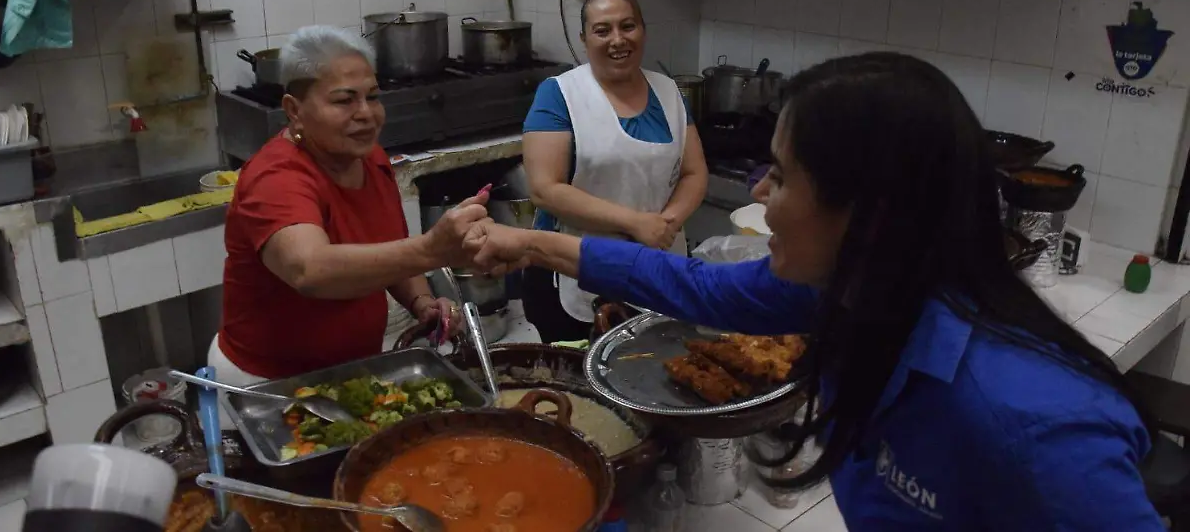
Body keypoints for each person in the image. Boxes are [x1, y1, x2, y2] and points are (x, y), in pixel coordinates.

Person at [467, 52, 1163, 530]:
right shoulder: (842, 294)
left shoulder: (1035, 428)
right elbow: (688, 283)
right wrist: (527, 242)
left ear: (869, 213)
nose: (759, 194)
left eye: (780, 175)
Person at [211, 25, 479, 393]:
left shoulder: (370, 159)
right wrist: (432, 250)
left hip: (350, 372)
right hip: (269, 386)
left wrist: (421, 301)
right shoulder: (276, 178)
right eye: (344, 100)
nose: (366, 113)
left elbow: (388, 248)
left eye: (373, 97)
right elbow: (310, 271)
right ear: (294, 110)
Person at [520, 0, 707, 341]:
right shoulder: (560, 95)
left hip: (657, 263)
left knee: (655, 364)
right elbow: (544, 189)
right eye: (602, 30)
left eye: (628, 26)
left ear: (643, 30)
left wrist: (665, 225)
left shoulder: (669, 92)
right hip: (574, 268)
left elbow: (694, 172)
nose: (617, 40)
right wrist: (636, 224)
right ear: (584, 39)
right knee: (577, 368)